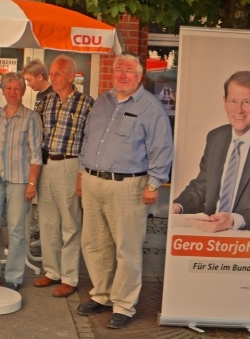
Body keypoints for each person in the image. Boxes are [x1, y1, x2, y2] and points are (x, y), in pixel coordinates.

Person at [76, 52, 172, 330]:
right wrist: (83, 173)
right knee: (94, 244)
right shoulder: (102, 102)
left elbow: (161, 148)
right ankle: (102, 294)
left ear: (140, 75)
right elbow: (88, 139)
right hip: (94, 182)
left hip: (129, 186)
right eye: (119, 69)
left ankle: (124, 305)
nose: (122, 75)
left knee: (127, 249)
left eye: (129, 70)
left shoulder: (150, 107)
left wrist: (154, 184)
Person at [172, 71, 250, 232]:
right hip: (211, 234)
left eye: (246, 101)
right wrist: (178, 206)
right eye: (233, 101)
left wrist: (234, 220)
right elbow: (203, 185)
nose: (238, 110)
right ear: (225, 102)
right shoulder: (215, 138)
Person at [0, 72, 42, 291]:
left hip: (19, 180)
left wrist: (32, 183)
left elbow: (35, 154)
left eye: (17, 88)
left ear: (23, 91)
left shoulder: (31, 118)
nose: (13, 92)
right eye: (9, 88)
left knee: (16, 230)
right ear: (2, 90)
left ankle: (14, 275)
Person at [33, 55, 93, 298]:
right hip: (46, 165)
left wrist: (81, 175)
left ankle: (69, 277)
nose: (52, 78)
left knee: (70, 223)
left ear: (71, 76)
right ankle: (51, 271)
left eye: (57, 74)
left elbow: (90, 142)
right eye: (51, 73)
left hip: (70, 165)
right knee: (47, 222)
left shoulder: (87, 103)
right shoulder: (45, 102)